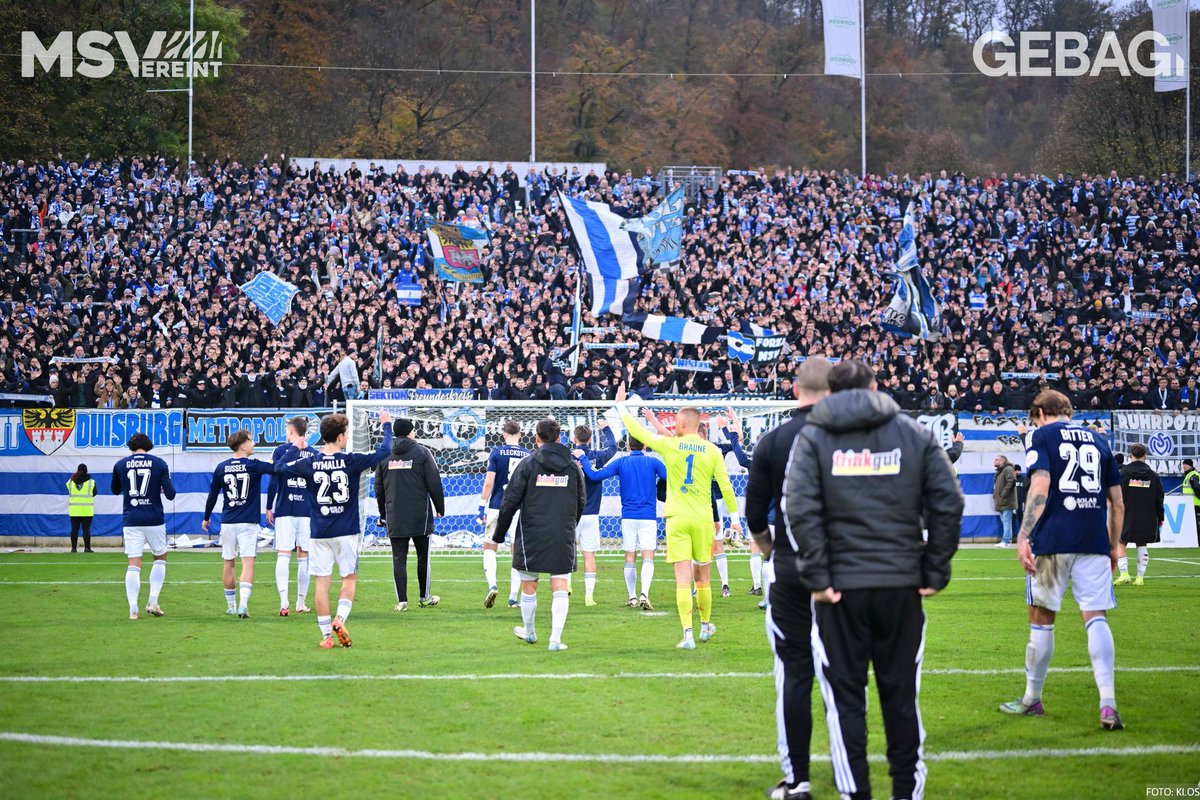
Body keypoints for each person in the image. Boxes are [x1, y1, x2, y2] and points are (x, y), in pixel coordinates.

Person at [785, 359, 963, 800]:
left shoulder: (814, 437)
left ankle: (856, 794)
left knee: (845, 701)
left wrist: (818, 576)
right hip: (900, 585)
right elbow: (948, 501)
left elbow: (799, 510)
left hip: (839, 591)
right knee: (901, 698)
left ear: (830, 392)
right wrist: (934, 568)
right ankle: (906, 792)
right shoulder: (915, 434)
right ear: (875, 386)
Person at [999, 389, 1126, 731]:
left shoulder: (1041, 436)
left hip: (1053, 538)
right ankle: (1108, 704)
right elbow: (1117, 503)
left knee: (1041, 618)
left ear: (1040, 412)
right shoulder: (1099, 440)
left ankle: (1032, 699)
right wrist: (1113, 546)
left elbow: (1040, 486)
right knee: (1095, 616)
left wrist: (1023, 535)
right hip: (1093, 539)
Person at [744, 356, 832, 800]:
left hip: (792, 566)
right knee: (843, 675)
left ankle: (797, 778)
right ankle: (850, 774)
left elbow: (754, 513)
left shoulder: (774, 440)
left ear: (796, 390)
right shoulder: (855, 437)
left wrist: (769, 550)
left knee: (794, 673)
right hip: (845, 569)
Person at [616, 384, 742, 649]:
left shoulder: (671, 445)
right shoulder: (712, 450)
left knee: (683, 580)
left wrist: (620, 407)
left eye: (675, 421)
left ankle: (687, 635)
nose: (673, 424)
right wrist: (735, 519)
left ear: (683, 423)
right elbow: (727, 487)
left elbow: (637, 432)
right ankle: (705, 625)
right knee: (703, 578)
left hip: (677, 519)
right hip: (704, 520)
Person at [277, 411, 393, 648]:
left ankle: (326, 637)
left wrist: (295, 447)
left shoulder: (309, 462)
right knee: (349, 578)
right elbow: (384, 451)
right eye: (347, 434)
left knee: (322, 583)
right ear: (340, 437)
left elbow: (279, 468)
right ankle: (339, 619)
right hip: (346, 531)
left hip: (319, 533)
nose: (348, 437)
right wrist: (387, 425)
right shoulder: (351, 460)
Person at [494, 417, 585, 651]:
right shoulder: (573, 466)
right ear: (559, 438)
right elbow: (581, 501)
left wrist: (499, 534)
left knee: (529, 584)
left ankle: (530, 631)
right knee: (560, 584)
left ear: (536, 438)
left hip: (531, 532)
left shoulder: (528, 464)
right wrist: (568, 524)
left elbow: (509, 501)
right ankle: (555, 639)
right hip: (561, 532)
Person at [579, 434, 666, 609]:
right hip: (648, 516)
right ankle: (644, 594)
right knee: (648, 555)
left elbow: (595, 476)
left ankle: (632, 597)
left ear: (627, 446)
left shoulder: (622, 462)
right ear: (644, 446)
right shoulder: (654, 462)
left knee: (630, 556)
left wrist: (583, 458)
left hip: (628, 517)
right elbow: (670, 477)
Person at [202, 430, 274, 618]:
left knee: (228, 563)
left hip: (228, 522)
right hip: (248, 523)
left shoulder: (221, 467)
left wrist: (206, 517)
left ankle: (231, 606)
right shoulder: (254, 465)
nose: (254, 444)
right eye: (251, 440)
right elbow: (276, 468)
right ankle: (243, 605)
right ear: (242, 446)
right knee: (248, 563)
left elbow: (212, 495)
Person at [375, 418, 445, 611]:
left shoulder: (384, 455)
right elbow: (434, 482)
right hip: (419, 516)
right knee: (423, 557)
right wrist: (440, 507)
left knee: (399, 558)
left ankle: (402, 602)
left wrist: (383, 514)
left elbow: (378, 488)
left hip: (395, 516)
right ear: (410, 432)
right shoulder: (422, 452)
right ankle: (424, 597)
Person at [112, 432, 177, 620]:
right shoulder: (159, 463)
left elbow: (115, 490)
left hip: (132, 519)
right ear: (148, 445)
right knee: (160, 557)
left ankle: (133, 608)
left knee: (134, 563)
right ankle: (153, 601)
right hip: (154, 518)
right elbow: (171, 494)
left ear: (131, 447)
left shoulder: (120, 464)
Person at [266, 416, 318, 616]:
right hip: (307, 510)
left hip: (285, 508)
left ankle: (283, 603)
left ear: (291, 431)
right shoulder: (313, 453)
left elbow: (274, 478)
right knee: (304, 555)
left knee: (284, 553)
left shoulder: (281, 451)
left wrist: (269, 506)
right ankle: (300, 603)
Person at [479, 420, 530, 609]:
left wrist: (481, 505)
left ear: (504, 434)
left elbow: (489, 482)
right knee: (516, 550)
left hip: (497, 507)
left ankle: (492, 585)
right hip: (518, 508)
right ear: (520, 434)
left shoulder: (496, 453)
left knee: (490, 546)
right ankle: (513, 597)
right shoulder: (528, 455)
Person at [570, 420, 617, 606]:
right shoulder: (598, 456)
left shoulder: (567, 457)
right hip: (591, 515)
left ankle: (566, 585)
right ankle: (589, 596)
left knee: (567, 552)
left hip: (571, 514)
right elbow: (613, 447)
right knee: (589, 555)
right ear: (590, 440)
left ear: (574, 439)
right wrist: (606, 428)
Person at [1113, 443, 1164, 587]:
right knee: (1142, 543)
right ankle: (1140, 577)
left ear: (1130, 456)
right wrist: (1160, 517)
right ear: (1145, 456)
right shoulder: (1154, 476)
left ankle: (1124, 574)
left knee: (1120, 542)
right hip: (1147, 515)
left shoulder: (1122, 474)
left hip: (1126, 514)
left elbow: (1115, 495)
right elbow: (1159, 498)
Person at [66, 463, 97, 553]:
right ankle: (87, 548)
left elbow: (69, 491)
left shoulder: (70, 482)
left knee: (74, 529)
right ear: (86, 470)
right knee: (86, 529)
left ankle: (73, 548)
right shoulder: (91, 482)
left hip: (74, 510)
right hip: (87, 510)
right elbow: (94, 493)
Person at [993, 455, 1017, 547]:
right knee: (1005, 522)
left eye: (997, 460)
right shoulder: (1000, 471)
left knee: (1006, 521)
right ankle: (1007, 541)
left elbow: (1011, 482)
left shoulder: (1008, 469)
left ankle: (1006, 541)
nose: (995, 461)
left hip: (1007, 501)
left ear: (1002, 461)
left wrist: (1003, 494)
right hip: (1001, 501)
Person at [1182, 458, 1200, 534]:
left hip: (1195, 504)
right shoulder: (1189, 475)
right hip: (1191, 505)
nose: (1183, 466)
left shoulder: (1192, 475)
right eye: (1183, 464)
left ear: (1190, 465)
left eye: (1185, 464)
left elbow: (1197, 488)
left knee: (1196, 525)